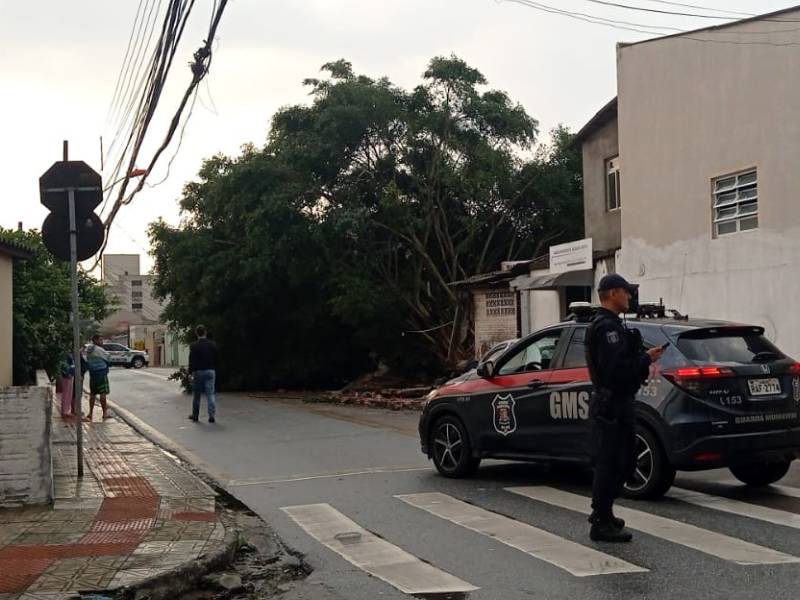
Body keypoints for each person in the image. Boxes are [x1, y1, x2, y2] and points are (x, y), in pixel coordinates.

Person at [585, 273, 664, 543]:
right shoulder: (606, 328)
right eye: (626, 291)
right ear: (612, 293)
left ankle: (605, 513)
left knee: (626, 461)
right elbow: (615, 371)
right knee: (611, 463)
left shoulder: (613, 326)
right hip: (611, 404)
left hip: (619, 402)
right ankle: (601, 520)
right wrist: (644, 359)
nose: (630, 296)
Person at [188, 325, 218, 423]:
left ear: (196, 333)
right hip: (210, 371)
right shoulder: (213, 345)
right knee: (210, 394)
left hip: (198, 372)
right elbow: (217, 358)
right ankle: (212, 415)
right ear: (205, 332)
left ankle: (195, 415)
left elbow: (191, 360)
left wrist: (190, 372)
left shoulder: (194, 346)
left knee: (197, 395)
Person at [84, 335, 112, 421]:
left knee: (92, 394)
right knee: (102, 394)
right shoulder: (99, 350)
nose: (102, 341)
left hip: (92, 374)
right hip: (101, 373)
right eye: (100, 340)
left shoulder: (88, 349)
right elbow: (108, 358)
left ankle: (90, 413)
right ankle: (104, 413)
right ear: (95, 340)